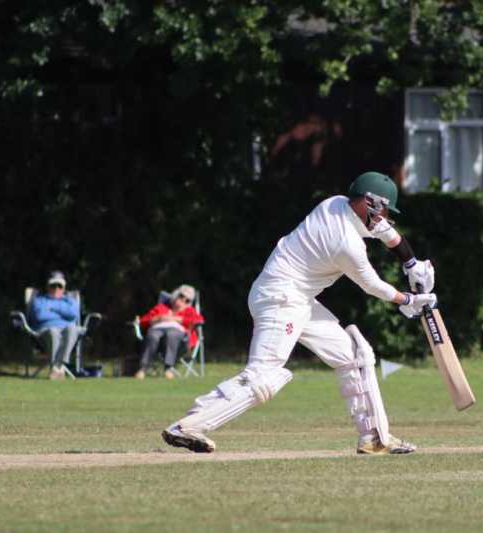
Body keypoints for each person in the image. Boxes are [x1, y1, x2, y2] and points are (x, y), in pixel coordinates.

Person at [162, 172, 436, 455]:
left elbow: (388, 234)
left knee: (354, 356)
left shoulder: (336, 203)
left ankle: (374, 438)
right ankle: (188, 426)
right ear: (369, 203)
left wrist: (411, 263)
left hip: (296, 297)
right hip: (281, 299)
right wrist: (408, 299)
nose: (385, 218)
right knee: (264, 375)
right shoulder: (345, 242)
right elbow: (372, 286)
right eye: (383, 211)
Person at [134, 284, 204, 380]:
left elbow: (199, 320)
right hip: (158, 332)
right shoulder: (161, 308)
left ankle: (168, 368)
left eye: (187, 300)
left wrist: (179, 319)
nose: (183, 301)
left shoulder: (189, 311)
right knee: (153, 335)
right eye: (181, 296)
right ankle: (143, 369)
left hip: (179, 339)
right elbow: (143, 320)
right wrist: (159, 318)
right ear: (175, 295)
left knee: (172, 334)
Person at [28, 271, 82, 380]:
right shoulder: (39, 300)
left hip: (67, 330)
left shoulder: (70, 300)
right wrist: (63, 312)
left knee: (72, 329)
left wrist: (52, 308)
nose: (56, 288)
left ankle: (58, 367)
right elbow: (40, 316)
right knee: (53, 331)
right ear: (48, 286)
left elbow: (73, 314)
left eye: (60, 286)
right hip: (44, 331)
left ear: (64, 287)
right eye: (53, 285)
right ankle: (58, 368)